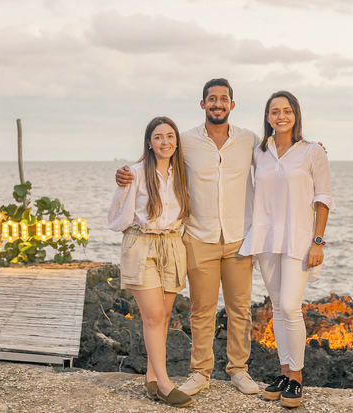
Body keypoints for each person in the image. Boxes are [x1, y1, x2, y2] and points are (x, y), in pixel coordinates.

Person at [116, 79, 261, 396]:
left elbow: (277, 158)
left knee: (239, 308)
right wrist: (124, 176)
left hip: (239, 237)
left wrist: (310, 149)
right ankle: (200, 372)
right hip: (198, 236)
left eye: (223, 99)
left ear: (232, 105)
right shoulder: (186, 140)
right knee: (201, 309)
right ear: (203, 104)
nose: (218, 104)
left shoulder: (249, 139)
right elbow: (156, 158)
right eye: (212, 99)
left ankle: (239, 370)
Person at [239, 91, 333, 408]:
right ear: (267, 117)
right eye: (275, 111)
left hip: (299, 239)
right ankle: (283, 373)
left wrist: (318, 241)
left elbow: (323, 198)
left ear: (296, 115)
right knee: (278, 307)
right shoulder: (258, 153)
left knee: (291, 306)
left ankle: (296, 378)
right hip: (266, 239)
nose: (281, 116)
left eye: (287, 110)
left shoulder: (312, 152)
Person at [108, 116, 193, 408]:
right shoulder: (135, 173)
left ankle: (151, 378)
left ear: (177, 141)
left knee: (164, 317)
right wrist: (121, 180)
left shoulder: (182, 173)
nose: (165, 142)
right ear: (149, 142)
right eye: (158, 137)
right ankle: (166, 383)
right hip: (142, 244)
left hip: (172, 243)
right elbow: (117, 216)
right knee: (154, 316)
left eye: (170, 136)